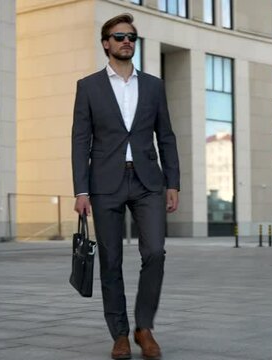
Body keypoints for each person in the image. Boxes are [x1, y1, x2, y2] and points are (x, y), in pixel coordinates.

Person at [71, 13, 180, 360]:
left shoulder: (153, 86)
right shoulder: (88, 87)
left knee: (155, 253)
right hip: (104, 183)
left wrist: (173, 182)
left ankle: (143, 327)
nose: (126, 41)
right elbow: (80, 141)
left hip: (148, 180)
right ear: (106, 43)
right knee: (111, 260)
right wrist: (81, 190)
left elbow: (166, 136)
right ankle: (119, 334)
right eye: (119, 37)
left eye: (131, 37)